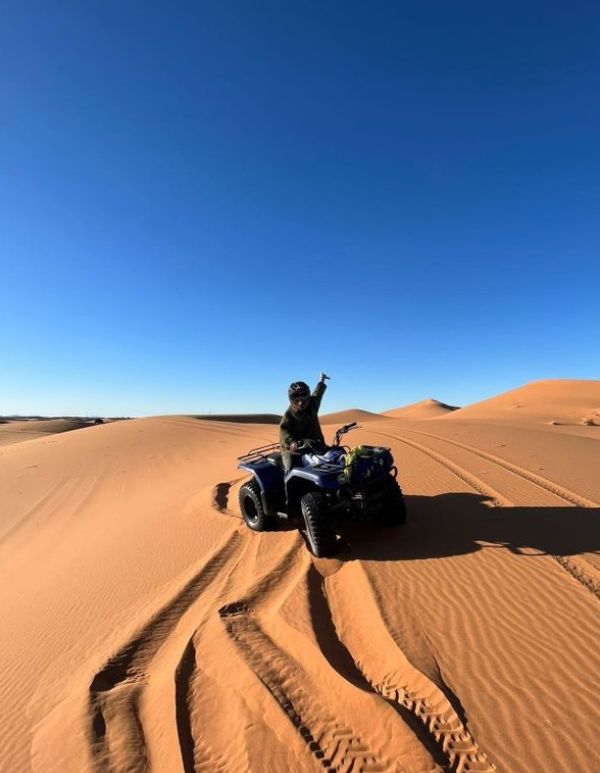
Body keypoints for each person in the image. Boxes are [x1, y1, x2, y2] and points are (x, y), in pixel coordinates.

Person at [279, 372, 331, 473]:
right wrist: (291, 442)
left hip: (314, 444)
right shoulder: (290, 413)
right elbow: (284, 429)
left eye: (303, 394)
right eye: (296, 396)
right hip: (293, 449)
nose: (300, 399)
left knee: (333, 456)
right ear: (291, 398)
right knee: (290, 468)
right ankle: (288, 487)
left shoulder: (313, 404)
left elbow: (318, 393)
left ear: (307, 394)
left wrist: (322, 380)